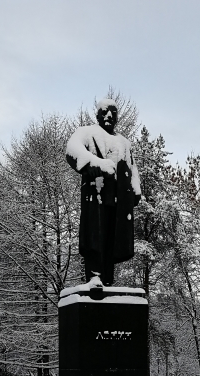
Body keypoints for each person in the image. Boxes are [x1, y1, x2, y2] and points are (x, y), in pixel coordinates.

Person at [65, 98, 142, 286]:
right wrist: (95, 164)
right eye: (105, 112)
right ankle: (95, 278)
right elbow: (71, 150)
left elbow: (132, 172)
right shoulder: (86, 132)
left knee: (112, 242)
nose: (109, 116)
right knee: (94, 240)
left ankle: (107, 280)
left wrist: (135, 191)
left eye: (113, 113)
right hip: (97, 198)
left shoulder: (124, 143)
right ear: (98, 114)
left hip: (118, 203)